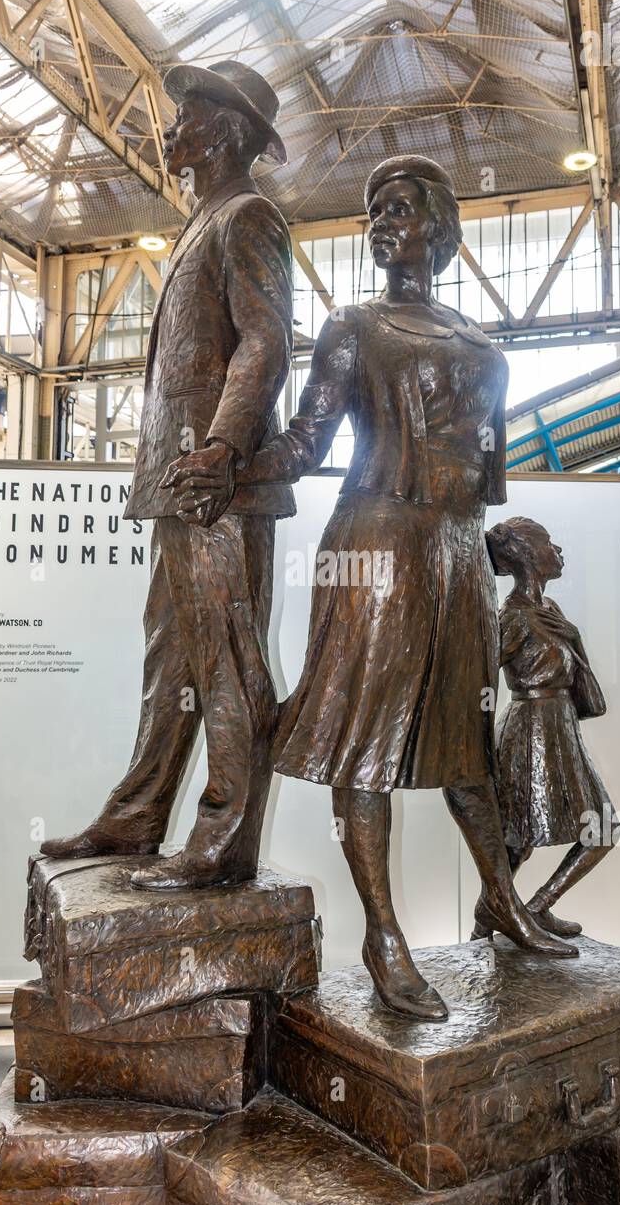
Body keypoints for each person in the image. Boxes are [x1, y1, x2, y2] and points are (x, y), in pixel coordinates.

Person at [184, 156, 577, 1021]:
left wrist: (504, 568)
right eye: (373, 211)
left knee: (466, 743)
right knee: (365, 742)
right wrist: (229, 465)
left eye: (399, 208)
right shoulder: (352, 327)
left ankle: (502, 899)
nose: (381, 222)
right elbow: (306, 443)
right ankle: (384, 936)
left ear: (440, 228)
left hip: (456, 554)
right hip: (373, 550)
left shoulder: (487, 352)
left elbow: (485, 477)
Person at [40, 60, 296, 891]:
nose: (172, 129)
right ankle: (138, 814)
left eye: (186, 117)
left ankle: (223, 841)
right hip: (184, 482)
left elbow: (266, 341)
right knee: (173, 659)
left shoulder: (249, 215)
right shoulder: (205, 220)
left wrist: (222, 447)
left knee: (224, 659)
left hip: (216, 481)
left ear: (224, 133)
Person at [483, 517, 620, 938]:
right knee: (519, 838)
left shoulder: (551, 612)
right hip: (530, 732)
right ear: (526, 555)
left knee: (600, 829)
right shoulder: (515, 618)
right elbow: (478, 677)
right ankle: (495, 915)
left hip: (560, 729)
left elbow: (590, 701)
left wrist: (576, 642)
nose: (558, 550)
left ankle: (532, 907)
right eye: (549, 544)